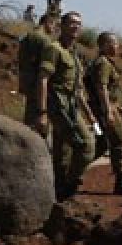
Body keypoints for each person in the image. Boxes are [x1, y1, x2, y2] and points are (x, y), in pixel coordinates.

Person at [37, 12, 98, 200]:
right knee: (86, 146)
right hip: (58, 106)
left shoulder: (74, 54)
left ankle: (58, 192)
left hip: (71, 107)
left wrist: (89, 115)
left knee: (61, 152)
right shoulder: (53, 49)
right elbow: (43, 80)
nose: (76, 26)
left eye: (79, 23)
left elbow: (78, 90)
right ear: (61, 26)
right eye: (71, 23)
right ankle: (71, 186)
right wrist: (42, 112)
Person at [86, 32, 122, 196]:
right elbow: (101, 88)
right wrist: (108, 111)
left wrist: (118, 107)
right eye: (113, 43)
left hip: (103, 109)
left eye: (116, 44)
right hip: (104, 111)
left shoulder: (101, 62)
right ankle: (121, 183)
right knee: (119, 143)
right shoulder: (103, 63)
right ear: (103, 45)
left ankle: (71, 171)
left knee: (101, 143)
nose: (116, 47)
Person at [19, 14, 58, 135]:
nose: (54, 29)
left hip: (27, 80)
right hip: (40, 83)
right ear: (48, 22)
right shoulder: (45, 40)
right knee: (40, 118)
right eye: (54, 25)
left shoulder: (26, 37)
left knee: (30, 114)